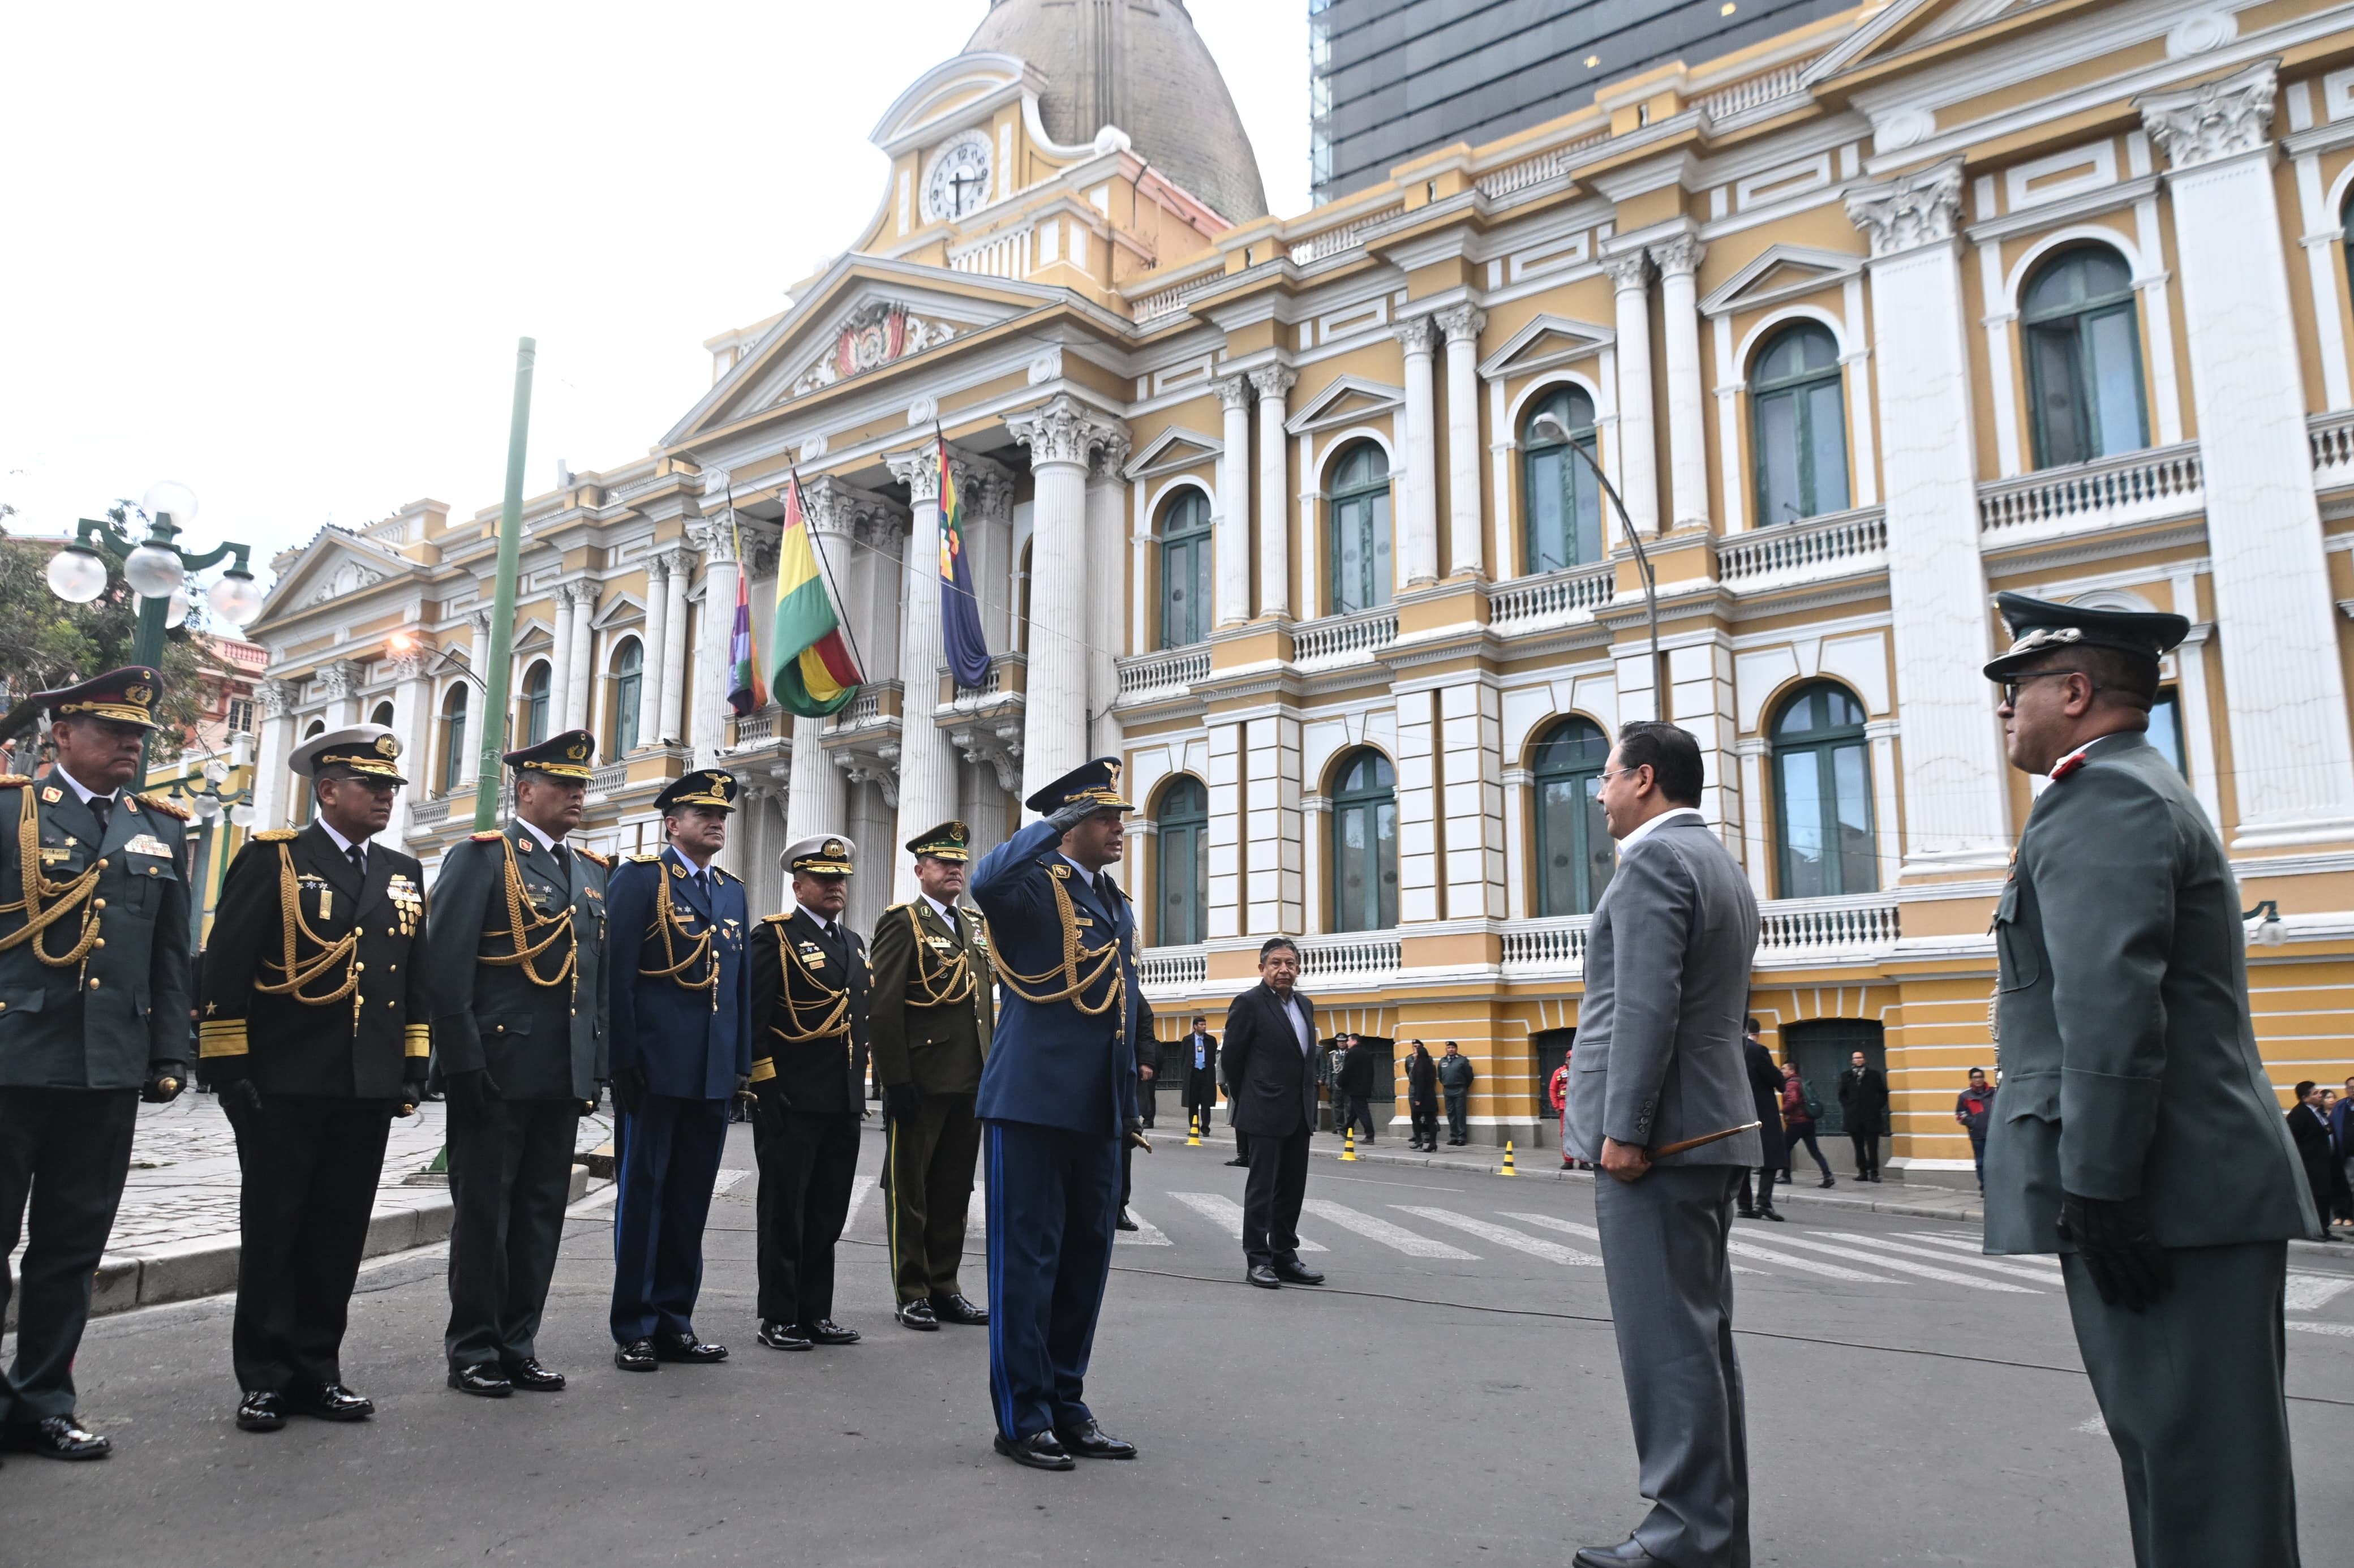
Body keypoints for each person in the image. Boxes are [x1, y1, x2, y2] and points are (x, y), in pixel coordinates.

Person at [1981, 592, 2316, 1568]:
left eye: (2017, 684)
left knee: (2199, 1490)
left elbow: (2109, 1011)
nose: (2003, 706)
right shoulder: (2128, 787)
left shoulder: (2107, 799)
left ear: (2075, 691)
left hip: (2165, 1196)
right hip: (2182, 1192)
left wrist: (2100, 1188)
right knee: (2192, 1473)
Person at [1561, 719, 1761, 1568]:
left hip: (1661, 1138)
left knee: (1668, 1343)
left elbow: (1646, 1006)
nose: (1598, 795)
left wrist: (1624, 1129)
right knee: (1701, 1339)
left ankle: (1684, 1531)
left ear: (1643, 778)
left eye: (1606, 778)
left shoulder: (1651, 861)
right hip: (1710, 1126)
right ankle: (1714, 1528)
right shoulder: (1718, 861)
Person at [200, 723, 429, 1433]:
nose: (386, 796)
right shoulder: (275, 858)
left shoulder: (402, 869)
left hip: (365, 1081)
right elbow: (228, 965)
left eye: (391, 786)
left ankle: (318, 1369)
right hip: (284, 1079)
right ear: (327, 790)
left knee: (338, 1230)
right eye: (372, 784)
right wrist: (228, 1068)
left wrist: (412, 1064)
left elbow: (412, 976)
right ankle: (265, 1376)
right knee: (276, 1229)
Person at [0, 668, 192, 1460]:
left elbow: (168, 953)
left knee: (72, 1247)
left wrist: (170, 1049)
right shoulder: (12, 810)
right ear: (61, 735)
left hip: (106, 1065)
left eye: (138, 734)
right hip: (11, 1058)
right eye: (113, 730)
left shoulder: (160, 829)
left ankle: (43, 1401)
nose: (130, 744)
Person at [968, 757, 1150, 1471]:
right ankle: (1023, 1417)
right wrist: (1049, 826)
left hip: (1095, 1105)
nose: (1118, 828)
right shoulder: (1030, 886)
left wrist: (1129, 1095)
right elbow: (984, 883)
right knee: (1027, 1262)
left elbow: (1123, 1001)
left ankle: (1067, 1404)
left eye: (1117, 816)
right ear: (1071, 824)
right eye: (1104, 816)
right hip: (1032, 1101)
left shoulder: (1114, 900)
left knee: (1082, 1263)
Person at [424, 729, 609, 1399]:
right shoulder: (482, 857)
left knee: (539, 1213)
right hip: (496, 1067)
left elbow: (593, 981)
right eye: (563, 785)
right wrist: (460, 1062)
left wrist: (594, 1066)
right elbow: (445, 966)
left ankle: (517, 1342)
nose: (576, 795)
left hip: (560, 1070)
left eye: (580, 785)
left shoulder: (591, 871)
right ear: (525, 791)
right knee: (486, 1214)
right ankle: (473, 1347)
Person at [602, 770, 748, 1373]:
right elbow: (617, 975)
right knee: (645, 1197)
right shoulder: (641, 879)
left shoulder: (731, 891)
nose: (715, 821)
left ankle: (674, 1320)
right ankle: (635, 1325)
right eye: (702, 813)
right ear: (672, 823)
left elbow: (737, 989)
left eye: (721, 815)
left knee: (690, 1200)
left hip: (710, 1073)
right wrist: (621, 1060)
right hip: (654, 1069)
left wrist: (739, 1068)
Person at [745, 835, 871, 1352]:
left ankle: (815, 1311)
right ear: (798, 886)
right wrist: (764, 1084)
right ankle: (778, 1315)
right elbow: (756, 1018)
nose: (835, 886)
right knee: (784, 1210)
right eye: (823, 878)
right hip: (792, 1099)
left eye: (840, 878)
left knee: (827, 1211)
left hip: (841, 1099)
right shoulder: (773, 937)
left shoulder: (854, 942)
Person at [869, 820, 994, 1331]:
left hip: (971, 1078)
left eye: (960, 863)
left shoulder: (975, 925)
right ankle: (912, 1290)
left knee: (954, 1190)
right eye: (944, 862)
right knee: (911, 1192)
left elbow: (986, 1007)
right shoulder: (903, 922)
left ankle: (946, 1285)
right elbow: (884, 1005)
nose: (954, 870)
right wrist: (894, 1080)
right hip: (920, 1080)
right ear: (920, 870)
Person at [1220, 937, 1325, 1289]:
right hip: (1263, 1112)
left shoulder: (1305, 1005)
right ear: (1262, 968)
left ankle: (1285, 1255)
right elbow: (1232, 1059)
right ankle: (1258, 1260)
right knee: (1262, 1191)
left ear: (1298, 968)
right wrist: (1251, 1098)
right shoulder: (1248, 1003)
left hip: (1299, 1113)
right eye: (1276, 963)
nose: (1284, 970)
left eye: (1290, 964)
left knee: (1292, 1189)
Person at [1734, 1020, 1787, 1222]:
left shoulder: (1731, 1048)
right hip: (1761, 1112)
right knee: (1771, 1157)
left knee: (1742, 1161)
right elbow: (1777, 1081)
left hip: (1737, 1112)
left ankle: (1744, 1206)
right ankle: (1763, 1203)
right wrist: (1780, 1080)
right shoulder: (1758, 1051)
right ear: (1757, 1032)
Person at [2288, 1082, 2335, 1243]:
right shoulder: (2299, 1115)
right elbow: (2292, 1139)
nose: (2320, 1095)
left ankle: (2324, 1229)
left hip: (2324, 1163)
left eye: (2319, 1092)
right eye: (2315, 1093)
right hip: (2310, 1165)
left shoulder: (2318, 1112)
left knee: (2325, 1197)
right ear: (2305, 1098)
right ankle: (2314, 1231)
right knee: (2316, 1198)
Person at [1837, 1050, 1887, 1183]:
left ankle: (1874, 1172)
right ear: (1852, 1061)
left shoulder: (1874, 1075)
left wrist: (1876, 1106)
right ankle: (1862, 1171)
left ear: (1864, 1060)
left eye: (1860, 1058)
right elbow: (1842, 1095)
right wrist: (1849, 1106)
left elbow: (1883, 1093)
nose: (1858, 1060)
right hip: (1854, 1117)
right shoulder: (1846, 1076)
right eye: (1856, 1058)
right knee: (1858, 1147)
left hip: (1871, 1116)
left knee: (1873, 1146)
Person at [1780, 1064, 1833, 1188]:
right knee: (1815, 1151)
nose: (1782, 1071)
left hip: (1796, 1123)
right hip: (1809, 1122)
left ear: (1791, 1071)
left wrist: (1783, 1110)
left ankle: (1786, 1176)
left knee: (1784, 1148)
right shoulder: (1800, 1082)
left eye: (1784, 1069)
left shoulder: (1791, 1084)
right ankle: (1828, 1176)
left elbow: (1792, 1100)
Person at [1953, 1068, 1996, 1195]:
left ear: (1984, 1078)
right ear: (1971, 1079)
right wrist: (1973, 1123)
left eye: (1980, 1077)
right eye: (1975, 1077)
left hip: (1995, 1134)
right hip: (1977, 1135)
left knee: (1996, 1162)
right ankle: (1985, 1187)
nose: (1978, 1080)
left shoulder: (1994, 1093)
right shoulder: (1965, 1096)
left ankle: (1997, 1187)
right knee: (1981, 1162)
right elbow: (1960, 1115)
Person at [1180, 1016, 1218, 1139]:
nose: (1204, 1027)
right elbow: (1184, 1058)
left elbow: (1214, 1057)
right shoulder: (1188, 1040)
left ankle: (1206, 1128)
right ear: (1195, 1026)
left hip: (1206, 1074)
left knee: (1206, 1103)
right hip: (1193, 1074)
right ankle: (1193, 1127)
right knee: (1193, 1103)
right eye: (1201, 1025)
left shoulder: (1211, 1040)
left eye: (1205, 1025)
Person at [1337, 1032, 1377, 1142]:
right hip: (1364, 1087)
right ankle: (1346, 1129)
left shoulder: (1353, 1052)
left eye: (1349, 1040)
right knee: (1354, 1110)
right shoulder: (1366, 1052)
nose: (1347, 1043)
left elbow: (1347, 1070)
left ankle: (1370, 1135)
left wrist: (1339, 1082)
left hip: (1356, 1087)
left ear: (1354, 1041)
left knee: (1362, 1111)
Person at [1438, 1041, 1474, 1145]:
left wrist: (1464, 1086)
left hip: (1459, 1089)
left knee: (1460, 1113)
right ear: (1446, 1049)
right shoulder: (1442, 1061)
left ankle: (1461, 1137)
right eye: (1449, 1048)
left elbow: (1469, 1076)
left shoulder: (1463, 1060)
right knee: (1451, 1114)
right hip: (1447, 1089)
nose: (1451, 1049)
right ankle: (1453, 1136)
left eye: (1453, 1048)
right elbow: (1440, 1076)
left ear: (1456, 1049)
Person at [1409, 1041, 1442, 1153]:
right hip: (1431, 1097)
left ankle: (1419, 1140)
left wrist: (1418, 1099)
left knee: (1415, 1118)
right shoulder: (1430, 1065)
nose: (1415, 1055)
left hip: (1422, 1098)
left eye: (1416, 1053)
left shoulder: (1419, 1066)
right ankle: (1433, 1144)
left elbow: (1420, 1084)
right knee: (1431, 1121)